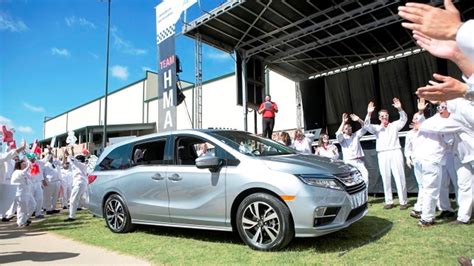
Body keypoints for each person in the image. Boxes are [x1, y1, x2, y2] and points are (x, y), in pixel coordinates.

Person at [364, 98, 408, 210]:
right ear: (379, 118)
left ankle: (403, 201)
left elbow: (404, 119)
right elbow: (366, 125)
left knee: (399, 176)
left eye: (386, 115)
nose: (384, 118)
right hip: (383, 154)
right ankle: (389, 201)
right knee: (385, 177)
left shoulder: (394, 125)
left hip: (395, 151)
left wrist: (399, 108)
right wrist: (369, 113)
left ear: (388, 116)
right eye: (382, 116)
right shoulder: (377, 128)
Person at [336, 113, 369, 185]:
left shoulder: (356, 135)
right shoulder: (342, 138)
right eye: (346, 128)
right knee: (352, 180)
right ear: (343, 130)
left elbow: (366, 128)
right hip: (349, 161)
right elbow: (338, 134)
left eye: (349, 127)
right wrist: (343, 122)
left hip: (358, 161)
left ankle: (364, 194)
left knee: (365, 176)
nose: (348, 129)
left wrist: (359, 120)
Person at [404, 111, 425, 219]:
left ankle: (419, 208)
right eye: (415, 118)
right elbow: (408, 148)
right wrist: (408, 158)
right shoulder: (410, 134)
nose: (416, 120)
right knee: (422, 185)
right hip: (417, 162)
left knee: (427, 186)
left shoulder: (426, 131)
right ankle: (421, 208)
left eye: (418, 118)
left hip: (428, 161)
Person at [64, 147, 88, 221]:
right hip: (80, 183)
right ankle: (96, 209)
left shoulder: (81, 165)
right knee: (83, 201)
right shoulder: (78, 166)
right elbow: (73, 161)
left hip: (79, 183)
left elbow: (73, 160)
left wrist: (67, 153)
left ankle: (71, 216)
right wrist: (71, 151)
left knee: (73, 200)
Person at [10, 158, 35, 227]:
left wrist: (31, 168)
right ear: (19, 165)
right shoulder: (16, 172)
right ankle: (21, 222)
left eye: (25, 163)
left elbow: (31, 178)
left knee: (33, 205)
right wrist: (28, 166)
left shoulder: (25, 172)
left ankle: (25, 218)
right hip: (20, 193)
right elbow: (22, 173)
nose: (25, 164)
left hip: (27, 192)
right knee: (22, 208)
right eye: (23, 163)